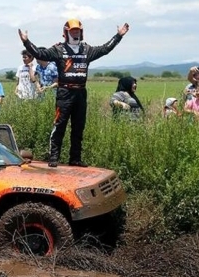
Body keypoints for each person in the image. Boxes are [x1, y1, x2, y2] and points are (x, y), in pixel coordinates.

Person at [18, 19, 130, 167]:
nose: (75, 32)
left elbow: (104, 49)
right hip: (64, 92)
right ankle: (53, 157)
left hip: (81, 93)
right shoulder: (58, 49)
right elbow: (40, 53)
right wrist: (26, 42)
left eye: (77, 30)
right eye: (72, 30)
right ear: (66, 32)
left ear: (81, 32)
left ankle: (75, 158)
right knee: (59, 125)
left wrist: (118, 36)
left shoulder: (87, 49)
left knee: (79, 127)